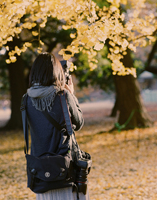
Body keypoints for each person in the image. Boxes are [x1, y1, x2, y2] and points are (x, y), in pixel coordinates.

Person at [26, 52, 90, 200]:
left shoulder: (26, 100)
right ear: (56, 72)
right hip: (65, 168)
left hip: (39, 170)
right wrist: (71, 94)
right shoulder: (63, 96)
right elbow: (79, 123)